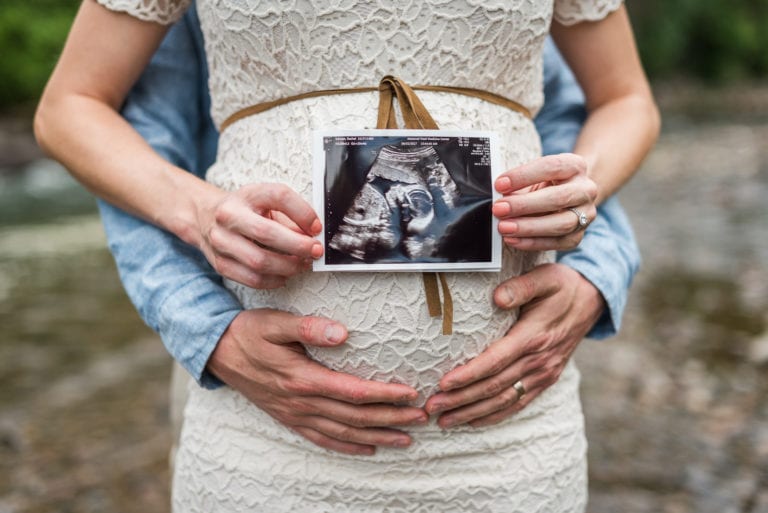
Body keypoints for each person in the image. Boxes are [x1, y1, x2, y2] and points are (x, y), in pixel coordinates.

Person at [35, 1, 660, 511]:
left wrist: (590, 241)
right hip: (266, 428)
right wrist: (204, 288)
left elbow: (614, 102)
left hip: (510, 427)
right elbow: (75, 107)